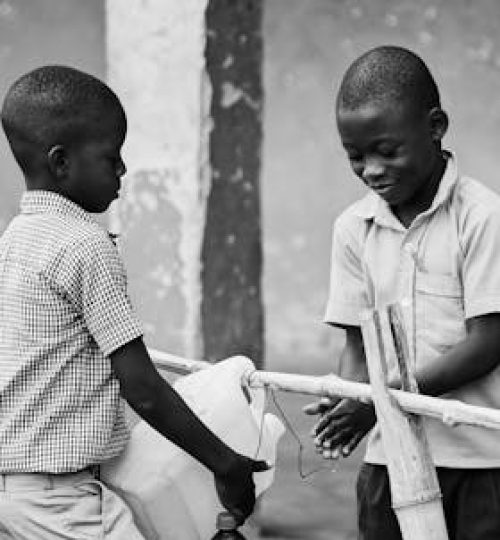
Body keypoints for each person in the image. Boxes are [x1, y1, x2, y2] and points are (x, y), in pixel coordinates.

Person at [0, 65, 267, 539]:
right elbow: (142, 387)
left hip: (14, 494)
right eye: (111, 157)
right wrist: (226, 464)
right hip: (62, 502)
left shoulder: (13, 241)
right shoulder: (86, 245)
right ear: (61, 163)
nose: (122, 169)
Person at [304, 45, 500, 539]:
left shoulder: (483, 218)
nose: (371, 169)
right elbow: (357, 346)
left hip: (481, 462)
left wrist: (384, 400)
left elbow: (488, 341)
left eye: (387, 151)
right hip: (388, 462)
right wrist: (349, 400)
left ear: (435, 127)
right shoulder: (353, 228)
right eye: (355, 156)